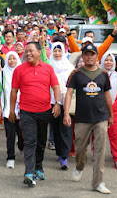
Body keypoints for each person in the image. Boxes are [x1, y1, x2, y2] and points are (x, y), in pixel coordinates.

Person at [9, 42, 61, 187]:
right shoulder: (19, 70)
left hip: (44, 111)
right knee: (30, 141)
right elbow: (14, 91)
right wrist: (12, 111)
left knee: (41, 142)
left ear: (39, 52)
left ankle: (39, 167)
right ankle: (29, 173)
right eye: (26, 51)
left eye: (31, 51)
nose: (28, 53)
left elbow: (55, 86)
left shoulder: (48, 69)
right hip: (26, 112)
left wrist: (57, 103)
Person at [63, 44, 113, 194]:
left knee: (100, 151)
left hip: (101, 117)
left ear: (97, 56)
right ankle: (79, 166)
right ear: (82, 56)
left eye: (92, 54)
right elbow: (69, 93)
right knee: (79, 148)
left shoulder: (103, 74)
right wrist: (66, 113)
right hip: (82, 118)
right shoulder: (76, 73)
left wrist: (111, 115)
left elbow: (107, 96)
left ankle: (97, 182)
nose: (89, 57)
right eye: (86, 54)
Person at [0, 51, 23, 169]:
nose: (12, 61)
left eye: (14, 58)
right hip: (8, 110)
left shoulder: (22, 72)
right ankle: (10, 157)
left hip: (22, 109)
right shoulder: (2, 74)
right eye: (9, 59)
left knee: (22, 134)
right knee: (10, 135)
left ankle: (22, 147)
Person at [50, 42, 74, 170]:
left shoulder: (69, 67)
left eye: (60, 51)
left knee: (65, 128)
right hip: (52, 101)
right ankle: (59, 152)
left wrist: (62, 101)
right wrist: (56, 102)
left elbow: (71, 86)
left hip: (66, 101)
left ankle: (64, 156)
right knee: (55, 128)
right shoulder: (49, 66)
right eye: (55, 51)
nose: (57, 54)